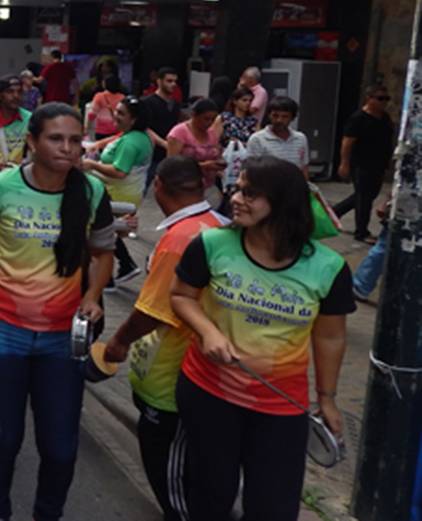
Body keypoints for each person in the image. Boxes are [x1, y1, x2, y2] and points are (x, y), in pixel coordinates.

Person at [0, 103, 117, 521]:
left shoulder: (93, 192)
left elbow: (103, 252)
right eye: (55, 138)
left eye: (75, 139)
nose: (67, 148)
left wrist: (94, 295)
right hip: (0, 333)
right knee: (5, 439)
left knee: (60, 449)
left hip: (63, 339)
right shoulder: (0, 188)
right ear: (32, 141)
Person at [169, 156, 353, 520]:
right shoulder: (211, 244)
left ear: (283, 201)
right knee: (210, 497)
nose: (236, 198)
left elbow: (330, 338)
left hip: (281, 408)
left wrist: (327, 399)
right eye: (237, 188)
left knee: (274, 507)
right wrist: (207, 332)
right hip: (208, 393)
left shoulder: (328, 268)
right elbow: (180, 296)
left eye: (250, 193)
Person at [100, 156, 229, 521]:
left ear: (157, 186)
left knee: (169, 468)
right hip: (202, 372)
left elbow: (153, 311)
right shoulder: (219, 223)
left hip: (171, 373)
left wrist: (118, 341)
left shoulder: (179, 239)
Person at [84, 96, 151, 288]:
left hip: (118, 195)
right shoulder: (135, 135)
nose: (115, 115)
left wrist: (91, 165)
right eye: (116, 110)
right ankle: (119, 270)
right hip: (122, 193)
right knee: (108, 234)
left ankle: (109, 279)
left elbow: (120, 172)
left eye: (121, 113)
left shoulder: (131, 143)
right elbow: (115, 139)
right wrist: (97, 145)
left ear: (134, 119)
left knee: (104, 235)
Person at [334, 85, 395, 243]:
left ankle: (334, 212)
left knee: (369, 194)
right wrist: (344, 164)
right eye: (380, 98)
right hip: (362, 162)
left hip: (379, 162)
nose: (384, 102)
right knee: (364, 197)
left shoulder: (384, 117)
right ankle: (361, 231)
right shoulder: (359, 118)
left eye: (386, 99)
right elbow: (347, 142)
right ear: (369, 98)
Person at [142, 67, 186, 191]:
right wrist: (163, 143)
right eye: (169, 81)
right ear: (159, 81)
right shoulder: (148, 102)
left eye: (175, 81)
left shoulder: (175, 104)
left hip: (169, 153)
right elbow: (145, 127)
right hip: (151, 152)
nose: (173, 84)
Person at [167, 98, 224, 193]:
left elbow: (217, 153)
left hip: (207, 185)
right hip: (184, 186)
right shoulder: (180, 132)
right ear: (193, 115)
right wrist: (202, 166)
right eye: (206, 119)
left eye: (213, 120)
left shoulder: (211, 133)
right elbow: (172, 163)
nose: (209, 123)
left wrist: (219, 163)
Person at [246, 96, 310, 179]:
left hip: (294, 188)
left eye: (285, 116)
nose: (279, 120)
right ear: (269, 116)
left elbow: (303, 168)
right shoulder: (258, 139)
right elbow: (251, 170)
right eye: (275, 116)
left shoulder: (300, 138)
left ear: (292, 118)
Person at [87, 74, 125, 140]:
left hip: (101, 130)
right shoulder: (122, 98)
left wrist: (87, 128)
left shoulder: (99, 96)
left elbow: (92, 114)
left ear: (105, 84)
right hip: (117, 131)